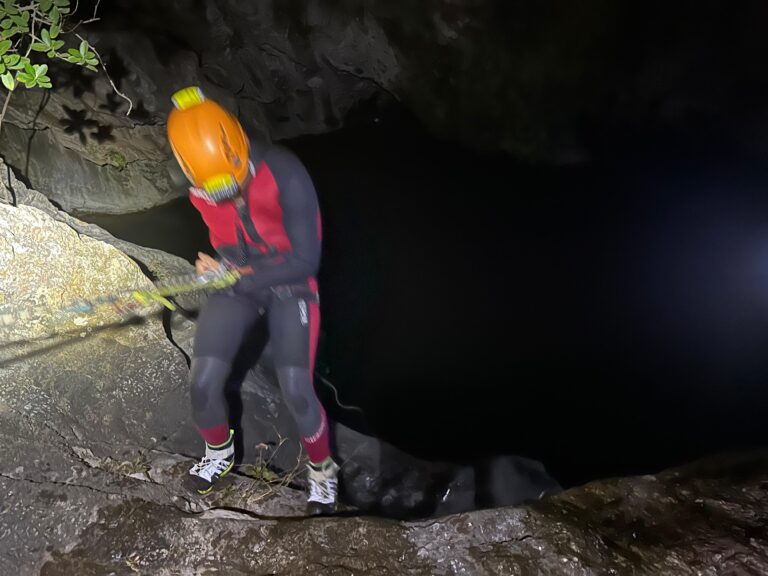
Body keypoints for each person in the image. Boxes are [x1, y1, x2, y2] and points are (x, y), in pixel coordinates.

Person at [166, 86, 339, 514]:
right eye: (214, 189)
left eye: (233, 185)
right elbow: (232, 242)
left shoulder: (286, 172)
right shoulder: (201, 186)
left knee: (297, 389)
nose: (226, 195)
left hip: (291, 283)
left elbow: (306, 260)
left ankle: (323, 474)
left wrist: (242, 275)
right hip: (240, 283)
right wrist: (217, 265)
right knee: (203, 382)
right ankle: (219, 453)